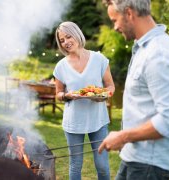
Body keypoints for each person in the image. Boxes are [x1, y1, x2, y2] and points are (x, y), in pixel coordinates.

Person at [98, 0, 169, 180]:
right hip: (136, 154)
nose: (114, 27)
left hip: (150, 162)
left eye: (115, 20)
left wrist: (123, 136)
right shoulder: (143, 47)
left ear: (129, 13)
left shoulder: (158, 55)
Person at [53, 21, 115, 180]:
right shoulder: (61, 66)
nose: (66, 42)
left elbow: (110, 86)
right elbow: (58, 94)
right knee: (75, 164)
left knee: (102, 165)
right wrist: (67, 96)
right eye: (62, 40)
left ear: (77, 34)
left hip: (98, 120)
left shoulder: (99, 59)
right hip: (73, 122)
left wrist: (102, 96)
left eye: (68, 36)